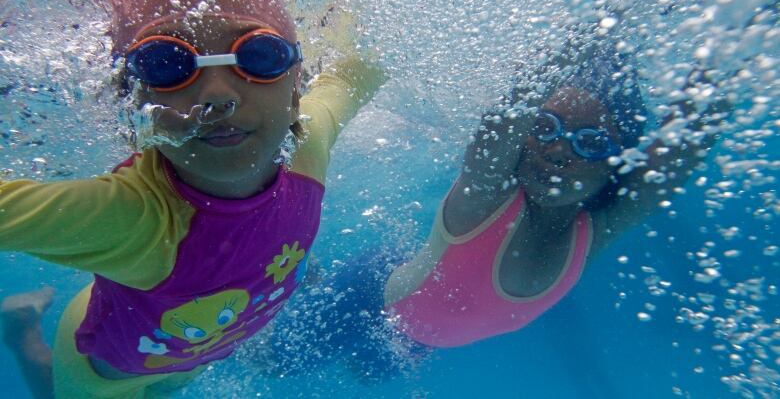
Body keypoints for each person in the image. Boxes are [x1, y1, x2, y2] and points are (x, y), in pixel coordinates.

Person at [0, 0, 384, 398]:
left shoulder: (309, 144)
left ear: (296, 88)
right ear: (131, 105)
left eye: (259, 56)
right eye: (165, 64)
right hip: (107, 377)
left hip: (197, 348)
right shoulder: (132, 218)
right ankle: (22, 330)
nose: (217, 95)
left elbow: (360, 67)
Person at [262, 39, 729, 380]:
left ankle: (311, 277)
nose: (557, 151)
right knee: (273, 362)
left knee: (369, 375)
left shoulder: (593, 233)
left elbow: (678, 154)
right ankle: (311, 280)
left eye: (588, 143)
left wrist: (727, 36)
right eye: (544, 127)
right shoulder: (484, 200)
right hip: (368, 296)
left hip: (416, 336)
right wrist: (603, 26)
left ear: (615, 165)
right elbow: (499, 124)